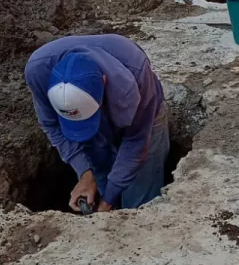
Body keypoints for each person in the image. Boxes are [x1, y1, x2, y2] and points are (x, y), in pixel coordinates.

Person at [24, 33, 170, 213]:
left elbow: (136, 143)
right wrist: (86, 175)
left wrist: (108, 201)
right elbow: (52, 126)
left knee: (139, 197)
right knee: (100, 168)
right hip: (97, 113)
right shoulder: (38, 71)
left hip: (145, 115)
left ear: (103, 82)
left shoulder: (135, 69)